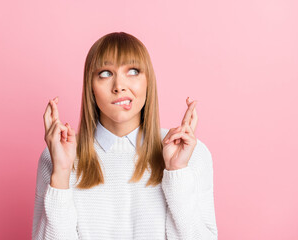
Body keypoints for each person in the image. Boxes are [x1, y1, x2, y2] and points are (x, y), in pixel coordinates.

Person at [32, 32, 218, 240]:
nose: (119, 86)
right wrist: (62, 172)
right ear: (90, 87)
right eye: (105, 73)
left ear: (149, 81)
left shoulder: (190, 153)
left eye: (133, 71)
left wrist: (177, 172)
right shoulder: (57, 156)